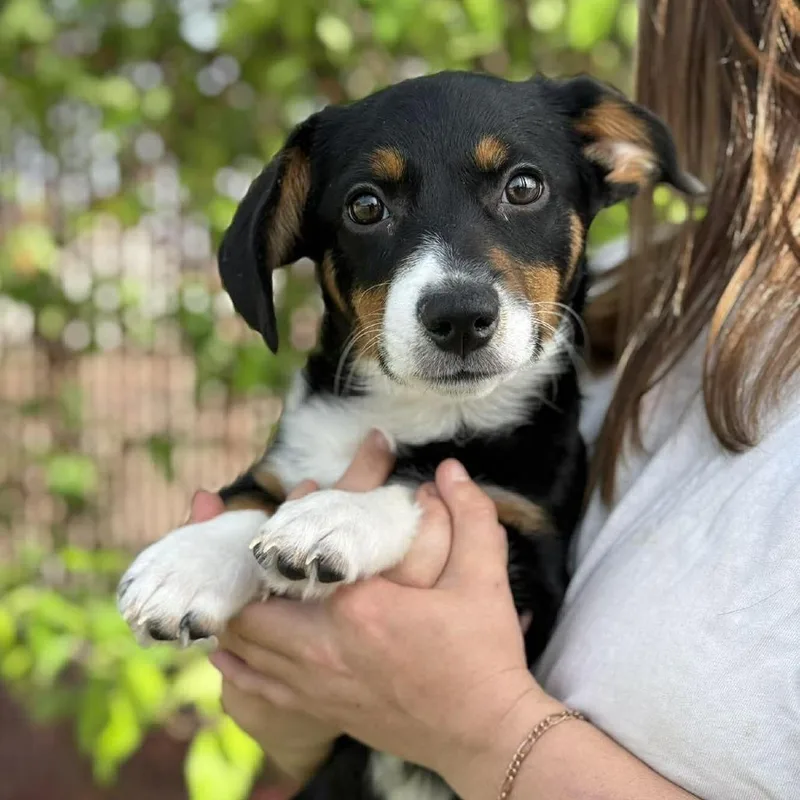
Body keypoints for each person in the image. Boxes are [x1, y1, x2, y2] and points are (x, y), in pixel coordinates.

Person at [194, 1, 800, 797]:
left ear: (610, 162)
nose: (456, 293)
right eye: (370, 209)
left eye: (521, 187)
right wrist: (294, 696)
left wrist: (478, 729)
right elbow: (318, 726)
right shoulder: (637, 317)